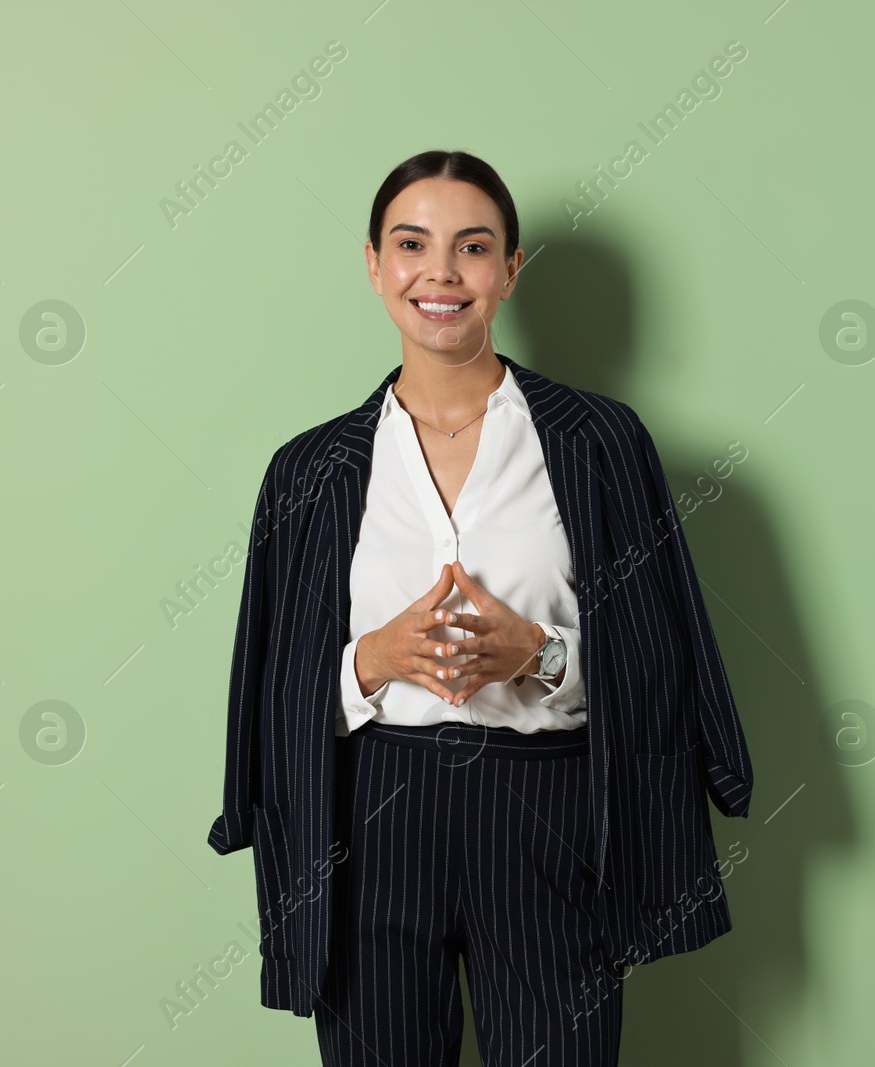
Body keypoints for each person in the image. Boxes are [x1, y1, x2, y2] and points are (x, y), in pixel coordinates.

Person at [206, 149, 753, 1067]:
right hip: (371, 818)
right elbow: (270, 684)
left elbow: (665, 654)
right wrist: (372, 658)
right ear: (375, 264)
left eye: (473, 246)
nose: (441, 273)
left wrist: (538, 654)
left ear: (510, 269)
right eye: (412, 244)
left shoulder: (600, 441)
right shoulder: (309, 470)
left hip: (546, 810)